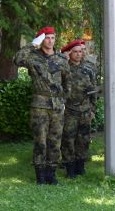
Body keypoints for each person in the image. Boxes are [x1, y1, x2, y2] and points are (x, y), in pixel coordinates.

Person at [14, 26, 71, 185]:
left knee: (55, 141)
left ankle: (51, 174)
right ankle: (40, 175)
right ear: (41, 39)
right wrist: (32, 44)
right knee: (40, 141)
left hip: (57, 106)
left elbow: (68, 81)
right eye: (47, 38)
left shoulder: (61, 59)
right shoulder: (32, 57)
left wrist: (64, 100)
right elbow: (17, 59)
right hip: (39, 105)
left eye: (53, 38)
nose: (50, 41)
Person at [59, 40, 97, 178]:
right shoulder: (64, 69)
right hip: (69, 109)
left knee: (84, 139)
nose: (78, 54)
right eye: (75, 52)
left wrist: (93, 109)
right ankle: (70, 169)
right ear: (69, 53)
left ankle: (80, 166)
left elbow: (93, 90)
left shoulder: (89, 68)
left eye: (80, 51)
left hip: (85, 110)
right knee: (68, 139)